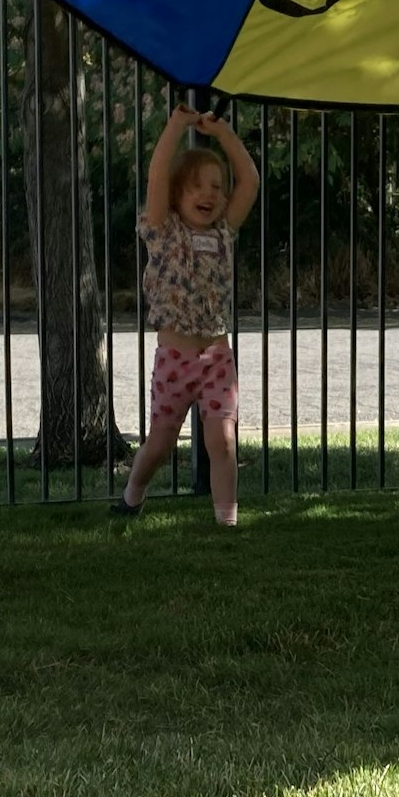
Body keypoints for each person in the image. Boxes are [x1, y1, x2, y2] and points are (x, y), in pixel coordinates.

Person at [116, 104, 259, 527]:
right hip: (174, 362)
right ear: (178, 195)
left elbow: (249, 180)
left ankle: (227, 521)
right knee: (160, 444)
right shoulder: (163, 231)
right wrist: (178, 125)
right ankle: (132, 495)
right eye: (196, 186)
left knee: (224, 441)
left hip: (217, 359)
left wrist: (224, 134)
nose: (209, 194)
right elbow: (157, 176)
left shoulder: (224, 233)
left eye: (216, 187)